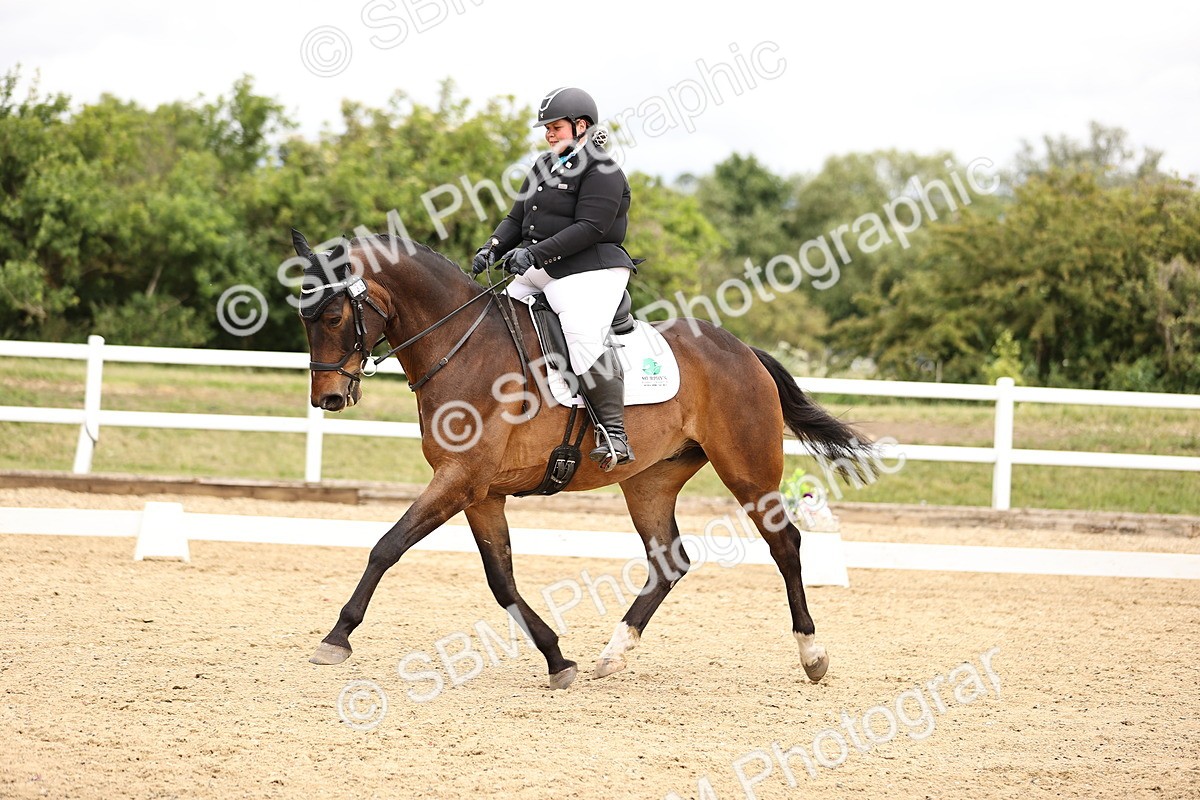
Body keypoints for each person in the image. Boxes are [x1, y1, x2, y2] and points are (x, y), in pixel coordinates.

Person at [472, 87, 638, 470]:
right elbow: (516, 218)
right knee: (493, 321)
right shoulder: (543, 165)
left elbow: (591, 227)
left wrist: (534, 254)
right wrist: (492, 247)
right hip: (544, 266)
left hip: (592, 269)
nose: (549, 134)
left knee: (581, 336)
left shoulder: (603, 171)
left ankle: (614, 434)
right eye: (547, 128)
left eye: (556, 127)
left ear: (581, 126)